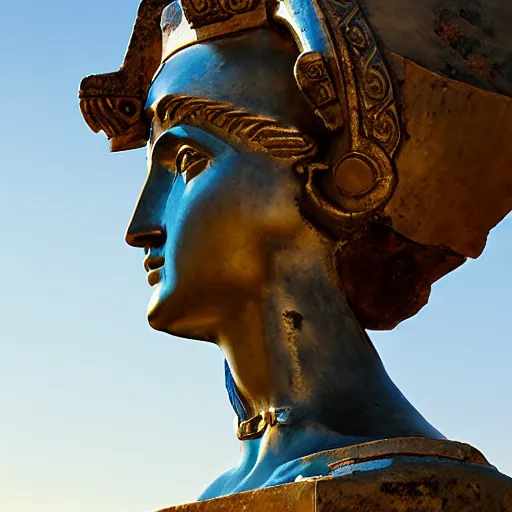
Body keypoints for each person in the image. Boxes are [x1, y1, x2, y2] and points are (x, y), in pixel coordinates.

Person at [79, 0, 512, 502]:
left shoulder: (416, 488)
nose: (141, 226)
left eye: (189, 162)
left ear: (343, 176)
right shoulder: (233, 488)